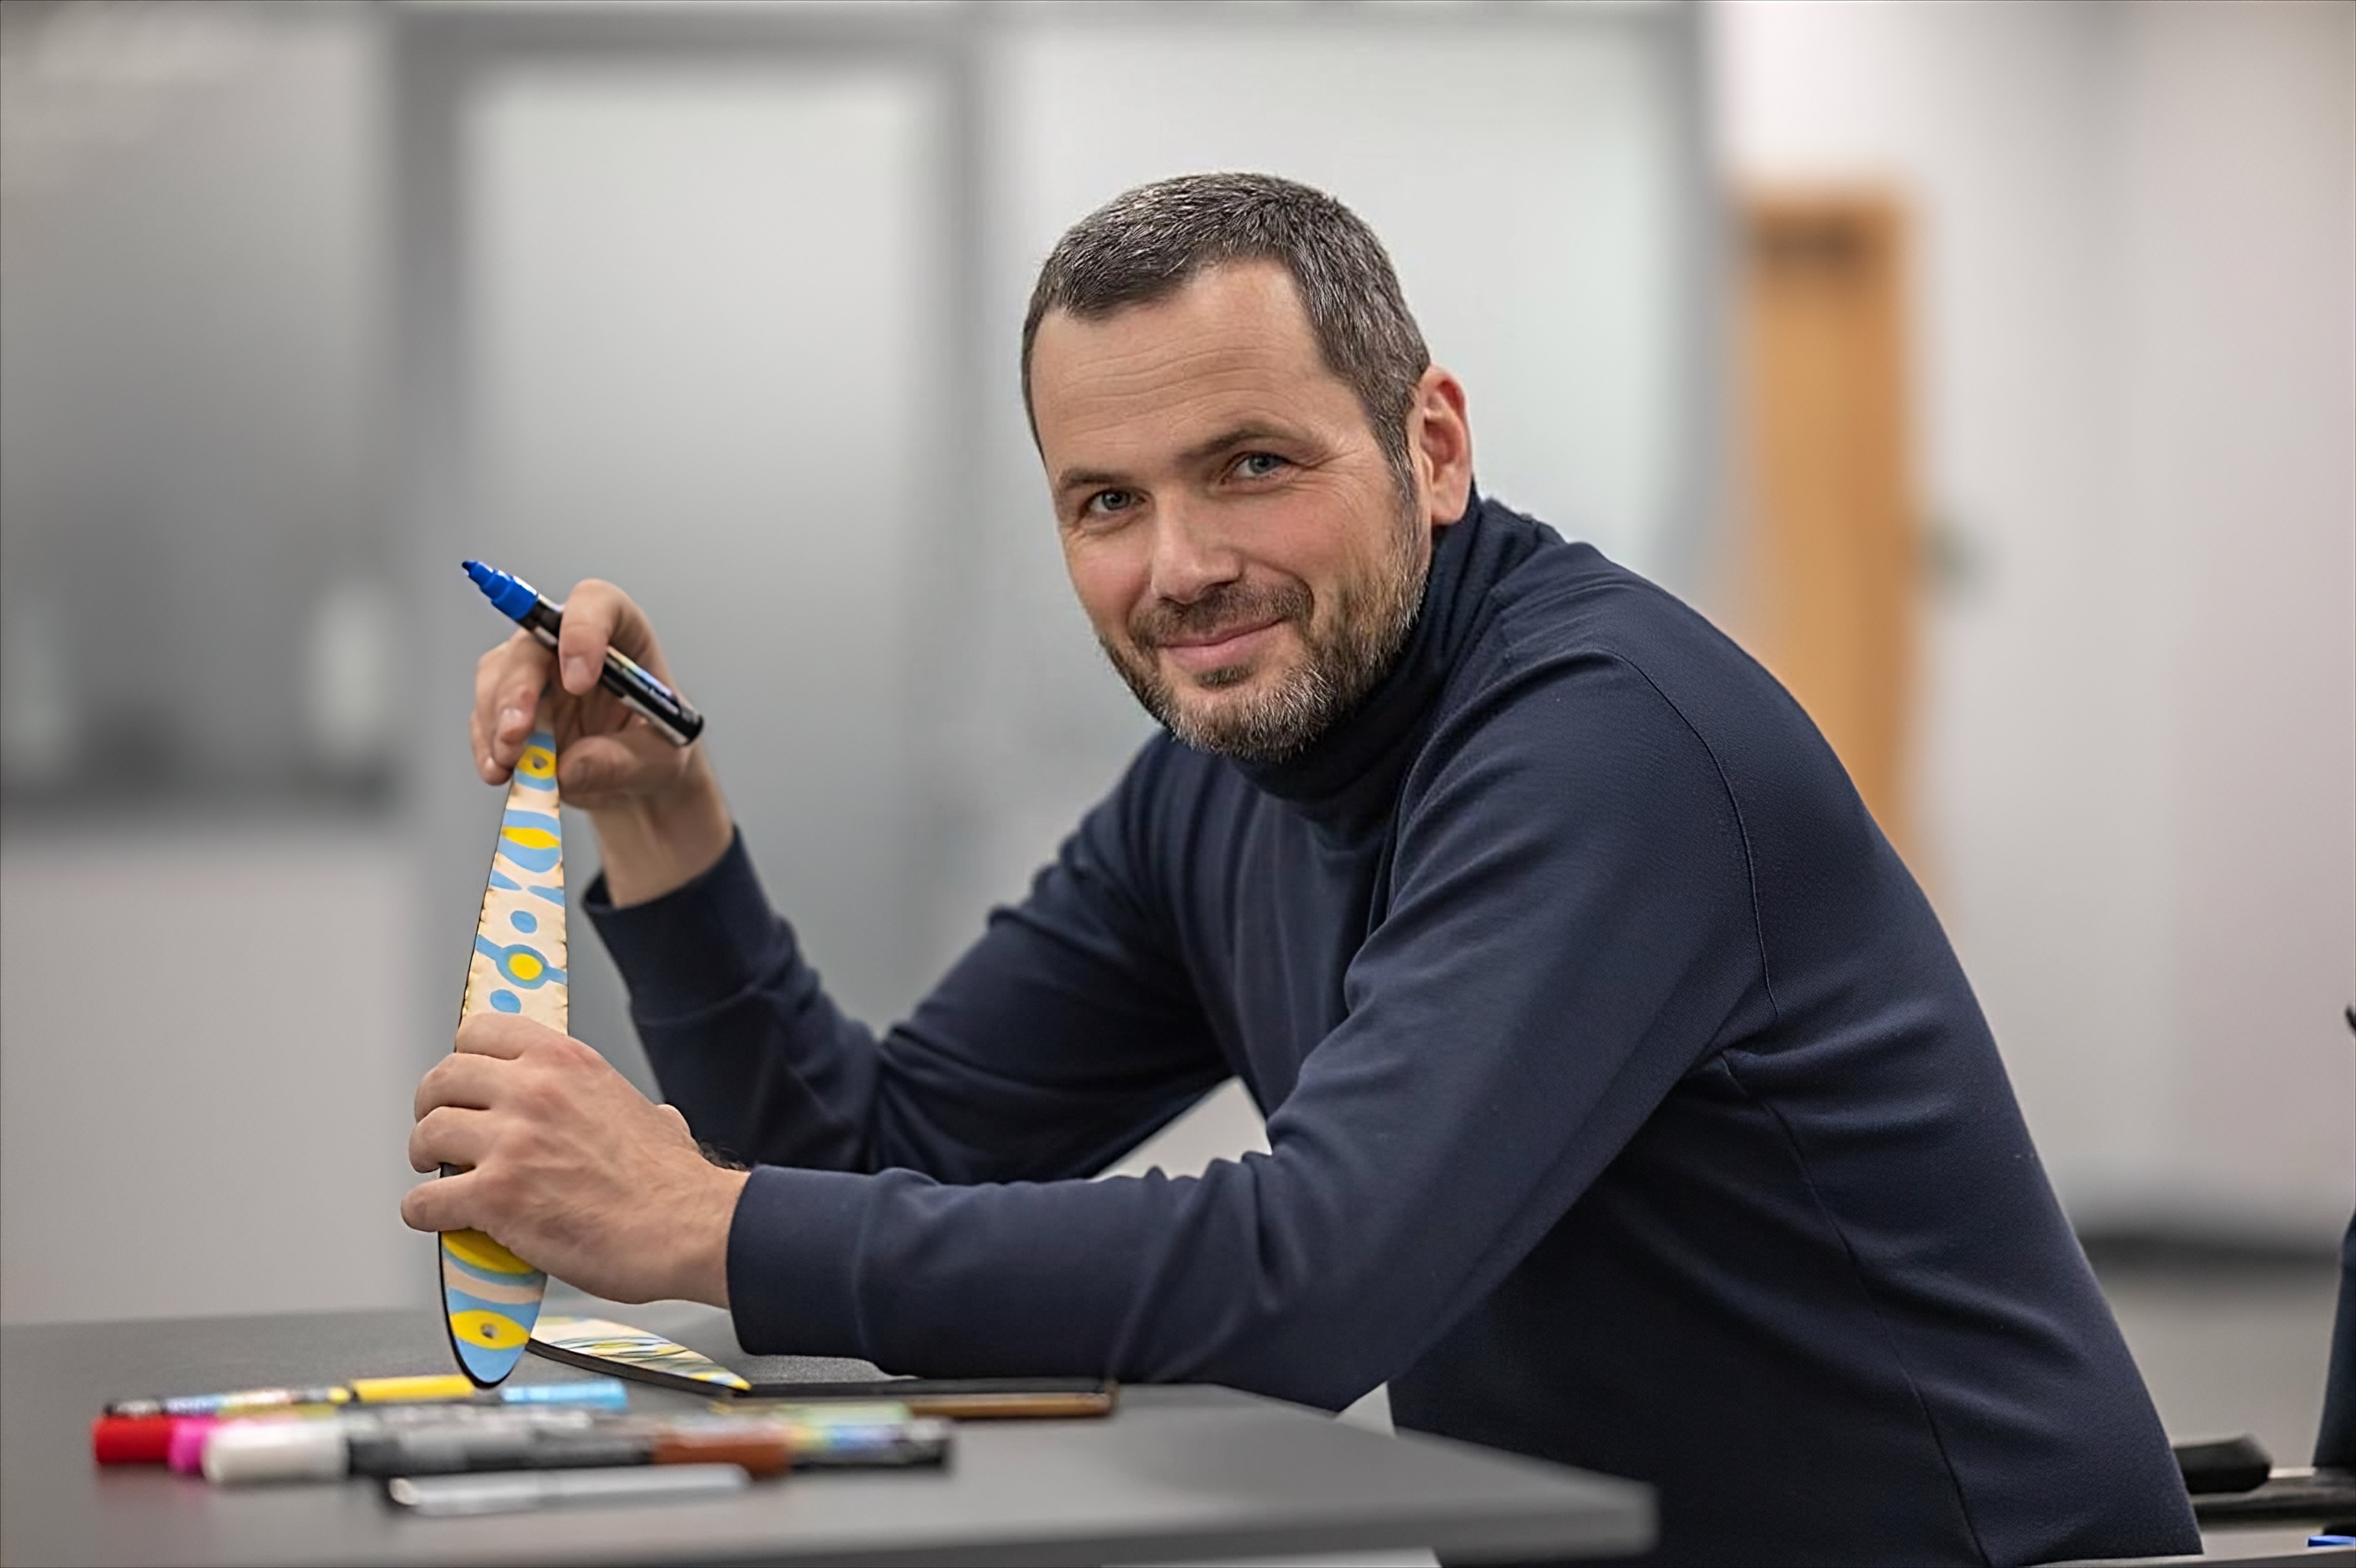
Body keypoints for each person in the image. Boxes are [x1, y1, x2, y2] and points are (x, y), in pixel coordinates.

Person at [405, 173, 2198, 1565]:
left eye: (1250, 465)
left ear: (1433, 446)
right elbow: (874, 1158)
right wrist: (663, 819)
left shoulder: (1608, 741)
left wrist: (700, 1222)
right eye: (1106, 501)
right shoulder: (1222, 786)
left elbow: (1320, 1277)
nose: (1180, 565)